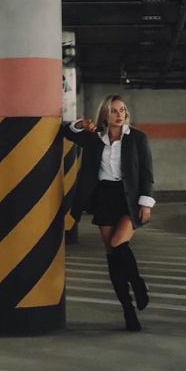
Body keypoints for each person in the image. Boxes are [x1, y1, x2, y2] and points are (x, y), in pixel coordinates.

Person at [63, 95, 155, 332]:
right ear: (105, 113)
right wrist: (79, 125)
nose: (119, 114)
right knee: (112, 256)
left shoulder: (137, 138)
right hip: (104, 197)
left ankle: (138, 284)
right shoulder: (94, 139)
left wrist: (146, 204)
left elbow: (146, 173)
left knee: (117, 244)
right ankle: (128, 311)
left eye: (122, 110)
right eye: (113, 110)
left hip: (128, 199)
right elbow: (67, 133)